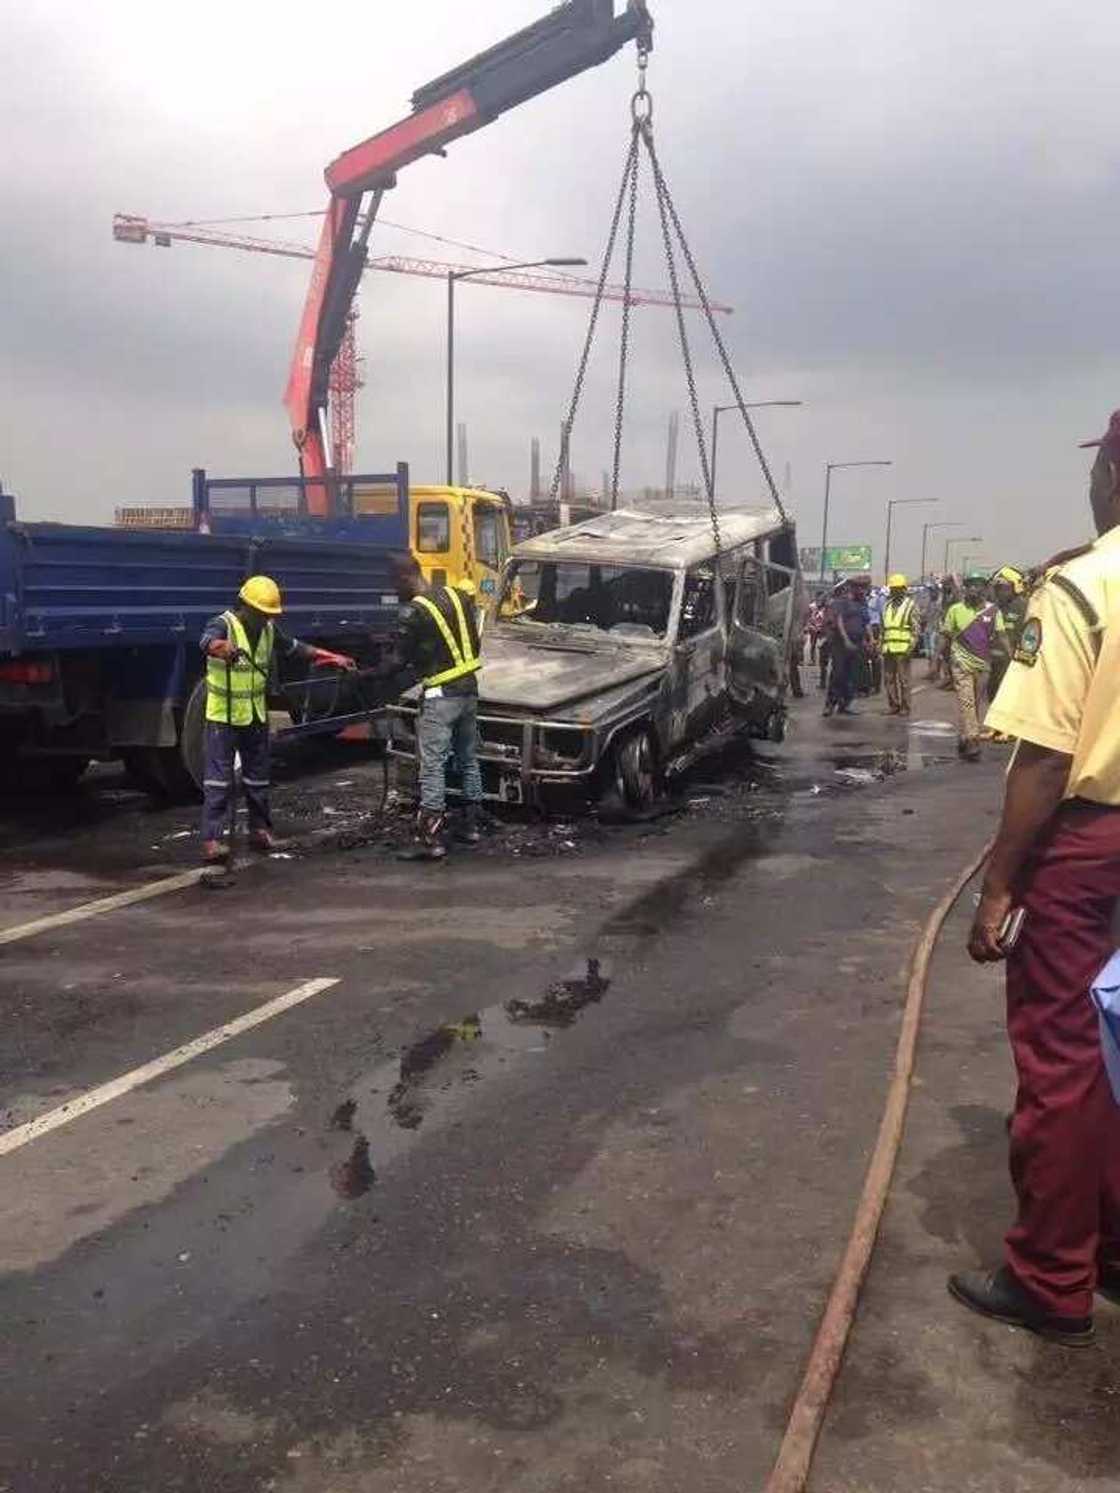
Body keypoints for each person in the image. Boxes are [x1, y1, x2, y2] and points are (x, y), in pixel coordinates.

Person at [950, 409, 1120, 1347]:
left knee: (1065, 1056)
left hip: (1092, 846)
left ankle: (1053, 1276)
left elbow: (1045, 760)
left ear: (1113, 478)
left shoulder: (1084, 588)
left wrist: (1000, 885)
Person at [200, 576, 355, 865]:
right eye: (261, 614)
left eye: (269, 615)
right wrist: (224, 649)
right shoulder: (224, 623)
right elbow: (207, 642)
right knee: (218, 781)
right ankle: (212, 839)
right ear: (245, 606)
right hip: (223, 715)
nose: (265, 620)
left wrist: (332, 657)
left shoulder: (269, 630)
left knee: (257, 777)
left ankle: (260, 830)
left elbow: (297, 648)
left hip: (255, 714)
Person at [394, 557, 484, 861]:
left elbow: (397, 661)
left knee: (432, 765)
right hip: (469, 690)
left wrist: (365, 674)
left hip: (440, 696)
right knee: (468, 759)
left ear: (406, 577)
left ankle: (430, 839)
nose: (394, 591)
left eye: (395, 584)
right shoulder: (456, 596)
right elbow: (473, 642)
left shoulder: (414, 612)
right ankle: (471, 826)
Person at [941, 572, 1005, 759]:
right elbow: (945, 635)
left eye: (978, 585)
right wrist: (939, 658)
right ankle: (972, 741)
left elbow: (1001, 636)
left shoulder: (993, 611)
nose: (973, 589)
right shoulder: (955, 610)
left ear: (985, 589)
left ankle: (965, 735)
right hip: (960, 663)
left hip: (983, 664)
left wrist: (1012, 657)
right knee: (966, 701)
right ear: (965, 589)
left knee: (974, 703)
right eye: (970, 585)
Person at [822, 580, 867, 717]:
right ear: (852, 588)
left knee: (852, 675)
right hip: (841, 643)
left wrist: (866, 640)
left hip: (857, 643)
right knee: (838, 674)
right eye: (859, 587)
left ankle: (845, 704)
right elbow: (839, 621)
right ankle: (830, 704)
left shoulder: (861, 604)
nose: (862, 590)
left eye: (863, 588)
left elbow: (864, 623)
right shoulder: (841, 602)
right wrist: (846, 639)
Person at [880, 574, 920, 715]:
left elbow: (916, 629)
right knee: (888, 679)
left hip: (903, 649)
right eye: (893, 589)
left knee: (904, 680)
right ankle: (893, 705)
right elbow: (883, 628)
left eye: (898, 589)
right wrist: (880, 645)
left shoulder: (910, 605)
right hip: (888, 648)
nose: (895, 591)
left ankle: (905, 707)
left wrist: (912, 646)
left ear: (904, 589)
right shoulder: (886, 606)